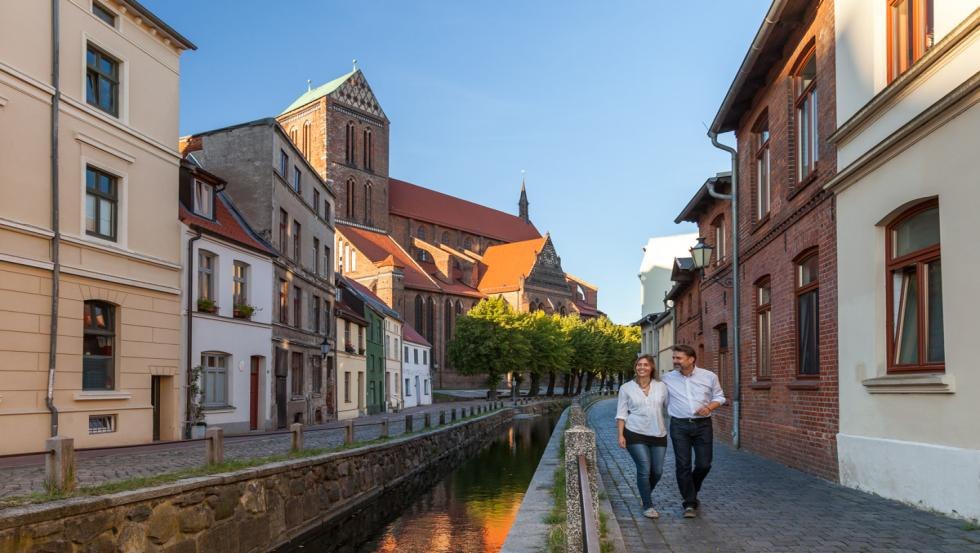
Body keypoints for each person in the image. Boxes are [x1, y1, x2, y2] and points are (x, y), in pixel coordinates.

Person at [662, 344, 725, 518]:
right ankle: (689, 503)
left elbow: (720, 396)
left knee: (704, 464)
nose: (675, 361)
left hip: (703, 425)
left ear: (691, 359)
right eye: (674, 358)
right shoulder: (667, 378)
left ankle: (692, 488)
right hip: (679, 426)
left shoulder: (709, 376)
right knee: (683, 465)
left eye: (679, 358)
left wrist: (709, 407)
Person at [615, 354, 669, 519]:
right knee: (644, 468)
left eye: (646, 365)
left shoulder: (661, 387)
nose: (642, 367)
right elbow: (621, 414)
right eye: (639, 365)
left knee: (657, 471)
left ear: (652, 367)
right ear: (635, 367)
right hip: (634, 433)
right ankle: (647, 505)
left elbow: (670, 407)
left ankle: (645, 494)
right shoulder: (626, 388)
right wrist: (621, 435)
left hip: (658, 433)